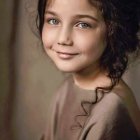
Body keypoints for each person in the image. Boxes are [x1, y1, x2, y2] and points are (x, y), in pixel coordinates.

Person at [36, 0, 140, 139]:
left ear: (113, 29)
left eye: (83, 25)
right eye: (53, 21)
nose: (63, 38)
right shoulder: (67, 88)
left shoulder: (110, 108)